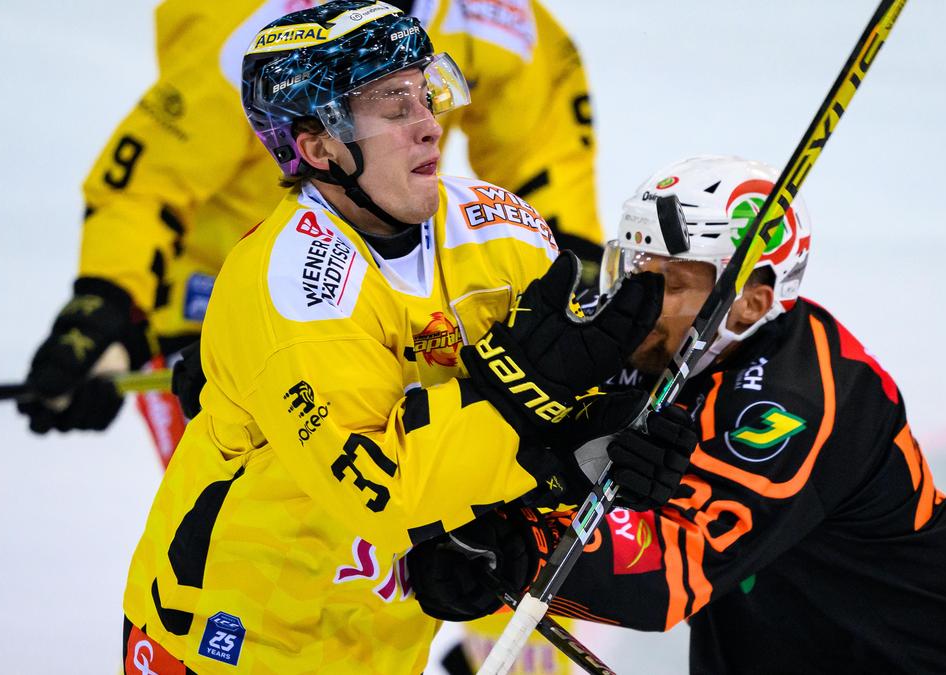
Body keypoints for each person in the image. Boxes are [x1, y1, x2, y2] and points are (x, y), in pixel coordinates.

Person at [119, 4, 697, 674]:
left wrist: (605, 435)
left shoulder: (502, 234)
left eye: (427, 92)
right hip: (231, 644)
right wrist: (520, 417)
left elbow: (559, 407)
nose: (430, 126)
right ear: (318, 147)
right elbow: (384, 493)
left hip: (383, 646)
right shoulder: (288, 283)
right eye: (394, 108)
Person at [408, 155, 946, 674]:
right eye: (631, 264)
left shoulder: (792, 403)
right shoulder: (670, 349)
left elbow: (666, 574)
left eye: (664, 279)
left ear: (748, 305)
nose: (629, 296)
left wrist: (513, 548)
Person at [17, 0, 606, 469]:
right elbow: (147, 182)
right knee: (266, 526)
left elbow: (543, 142)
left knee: (450, 483)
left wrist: (567, 258)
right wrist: (108, 306)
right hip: (219, 309)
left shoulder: (491, 15)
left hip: (383, 297)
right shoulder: (250, 28)